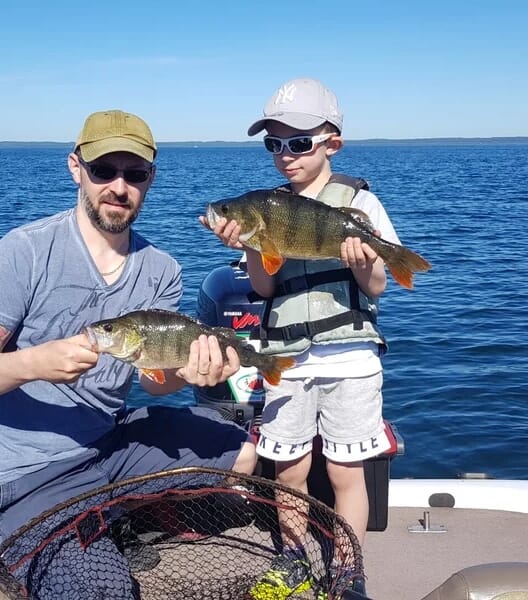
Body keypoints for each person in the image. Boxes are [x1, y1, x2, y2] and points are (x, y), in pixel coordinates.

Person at [0, 109, 257, 598]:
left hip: (108, 442)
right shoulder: (24, 251)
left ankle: (106, 513)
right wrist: (33, 363)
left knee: (243, 452)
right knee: (108, 593)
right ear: (76, 168)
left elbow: (157, 381)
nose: (119, 187)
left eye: (134, 174)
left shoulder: (161, 269)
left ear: (150, 179)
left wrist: (193, 372)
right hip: (27, 472)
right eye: (103, 171)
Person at [202, 78, 400, 599]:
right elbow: (265, 285)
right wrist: (247, 243)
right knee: (288, 469)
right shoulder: (265, 206)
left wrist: (365, 265)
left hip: (352, 356)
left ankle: (348, 568)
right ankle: (291, 562)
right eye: (274, 144)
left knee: (345, 471)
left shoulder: (361, 203)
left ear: (331, 141)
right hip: (285, 355)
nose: (285, 156)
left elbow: (378, 286)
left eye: (298, 142)